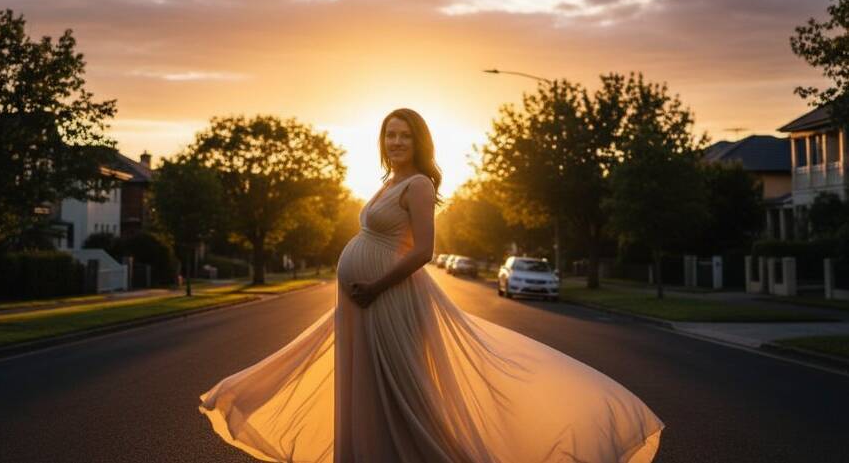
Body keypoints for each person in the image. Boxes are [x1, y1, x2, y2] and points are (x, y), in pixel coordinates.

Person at [198, 108, 665, 462]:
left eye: (404, 135)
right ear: (382, 141)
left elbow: (424, 251)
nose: (396, 141)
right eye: (390, 134)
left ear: (419, 142)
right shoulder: (387, 182)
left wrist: (375, 285)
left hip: (386, 298)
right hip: (362, 300)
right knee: (365, 387)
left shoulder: (418, 185)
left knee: (402, 390)